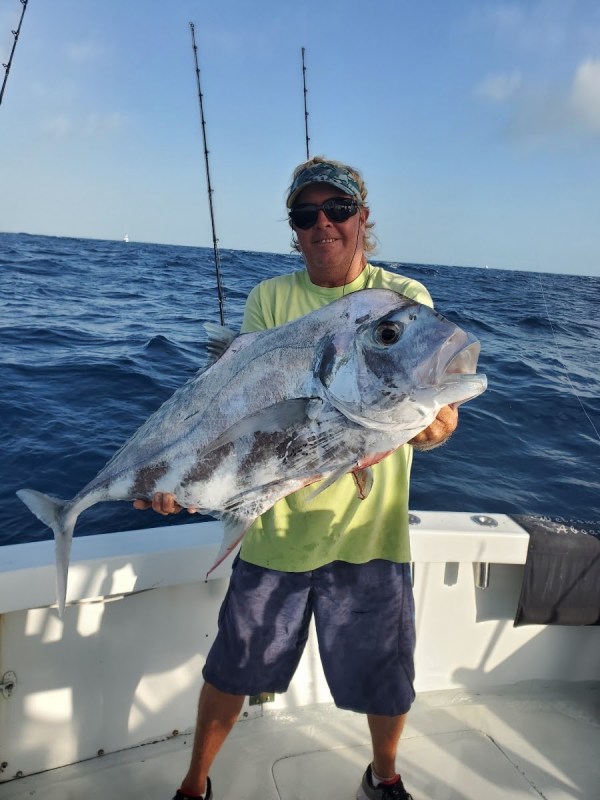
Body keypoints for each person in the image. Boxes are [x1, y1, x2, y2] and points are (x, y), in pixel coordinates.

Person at [136, 156, 458, 800]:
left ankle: (384, 778)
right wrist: (187, 479)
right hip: (274, 531)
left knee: (386, 679)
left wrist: (433, 427)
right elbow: (242, 415)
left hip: (369, 535)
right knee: (232, 670)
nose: (323, 225)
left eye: (338, 210)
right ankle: (194, 784)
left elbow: (441, 408)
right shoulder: (270, 299)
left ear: (363, 218)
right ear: (294, 228)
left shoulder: (403, 300)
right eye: (305, 215)